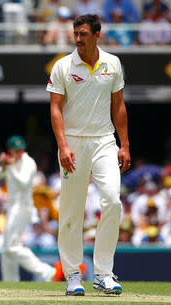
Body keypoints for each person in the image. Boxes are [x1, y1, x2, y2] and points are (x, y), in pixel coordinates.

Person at [47, 14, 130, 295]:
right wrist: (63, 146)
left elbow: (118, 106)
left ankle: (104, 274)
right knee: (71, 211)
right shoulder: (63, 66)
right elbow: (55, 108)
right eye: (76, 34)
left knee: (113, 201)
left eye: (83, 34)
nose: (78, 39)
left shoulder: (113, 63)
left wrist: (125, 144)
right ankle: (72, 275)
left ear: (97, 35)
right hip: (73, 145)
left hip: (105, 141)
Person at [0, 136, 56, 282]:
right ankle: (10, 283)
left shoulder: (29, 162)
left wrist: (10, 166)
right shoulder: (9, 163)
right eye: (16, 150)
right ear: (10, 151)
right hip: (12, 209)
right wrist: (3, 167)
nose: (19, 152)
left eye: (21, 149)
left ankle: (47, 271)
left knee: (10, 248)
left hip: (23, 208)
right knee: (7, 250)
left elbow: (24, 183)